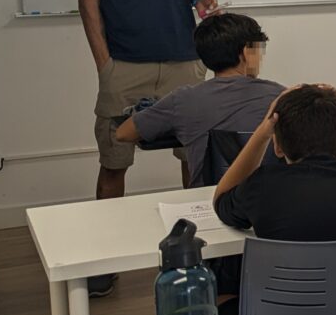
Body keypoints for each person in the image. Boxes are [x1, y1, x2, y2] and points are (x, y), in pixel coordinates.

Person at [71, 0, 216, 297]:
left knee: (196, 160)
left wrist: (200, 0)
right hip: (125, 66)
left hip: (184, 62)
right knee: (114, 162)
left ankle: (197, 253)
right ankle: (103, 259)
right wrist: (106, 66)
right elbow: (88, 2)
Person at [114, 12, 282, 186]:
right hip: (271, 198)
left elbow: (123, 133)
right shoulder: (281, 96)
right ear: (246, 53)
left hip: (209, 199)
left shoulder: (183, 100)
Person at [212, 84, 336, 242]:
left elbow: (221, 202)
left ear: (277, 146)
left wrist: (262, 133)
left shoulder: (262, 186)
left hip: (288, 276)